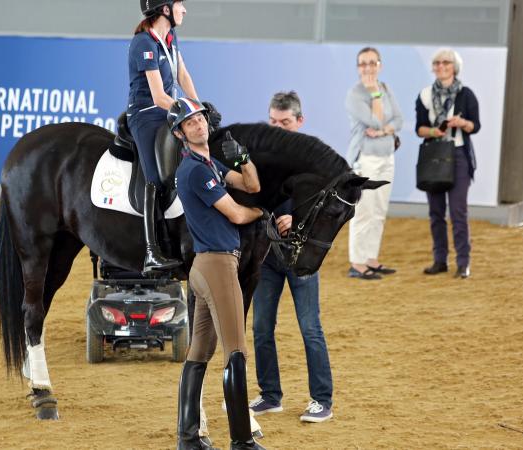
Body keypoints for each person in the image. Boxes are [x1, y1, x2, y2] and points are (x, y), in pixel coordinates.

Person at [170, 98, 266, 450]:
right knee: (236, 351)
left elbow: (251, 184)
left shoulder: (208, 163)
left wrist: (244, 158)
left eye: (199, 119)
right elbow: (239, 214)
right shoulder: (194, 170)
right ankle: (241, 440)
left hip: (206, 266)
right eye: (189, 123)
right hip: (217, 265)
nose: (197, 125)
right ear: (180, 134)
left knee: (200, 350)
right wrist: (263, 213)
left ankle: (188, 436)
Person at [248, 91, 333, 423]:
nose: (277, 128)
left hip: (302, 258)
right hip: (268, 257)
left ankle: (322, 400)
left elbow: (330, 209)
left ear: (300, 121)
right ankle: (270, 396)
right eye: (272, 122)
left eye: (284, 122)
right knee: (261, 327)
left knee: (310, 327)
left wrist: (298, 220)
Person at [128, 0, 217, 273]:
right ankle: (151, 252)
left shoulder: (170, 37)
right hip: (146, 114)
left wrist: (199, 107)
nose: (185, 10)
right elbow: (158, 96)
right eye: (180, 4)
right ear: (165, 9)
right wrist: (188, 111)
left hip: (169, 111)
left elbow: (183, 74)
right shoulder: (143, 43)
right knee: (155, 177)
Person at [415, 48, 480, 279]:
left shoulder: (466, 94)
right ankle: (439, 260)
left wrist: (462, 123)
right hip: (433, 156)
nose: (441, 66)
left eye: (446, 62)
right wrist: (436, 129)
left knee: (458, 212)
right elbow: (419, 129)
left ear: (454, 67)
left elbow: (476, 126)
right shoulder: (424, 95)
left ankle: (463, 263)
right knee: (435, 212)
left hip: (459, 156)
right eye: (437, 62)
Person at [344, 47, 403, 280]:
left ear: (380, 65)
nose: (368, 68)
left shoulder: (386, 88)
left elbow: (397, 119)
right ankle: (357, 263)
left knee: (379, 210)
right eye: (363, 64)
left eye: (372, 63)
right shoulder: (355, 94)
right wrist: (374, 95)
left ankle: (371, 259)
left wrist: (385, 130)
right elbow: (375, 121)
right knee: (364, 211)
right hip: (365, 158)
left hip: (387, 156)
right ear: (358, 67)